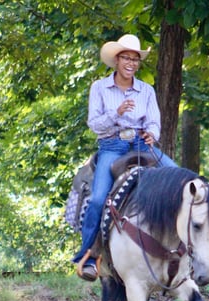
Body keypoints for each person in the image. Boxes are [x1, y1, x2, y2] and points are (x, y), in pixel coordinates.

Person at [72, 34, 178, 281]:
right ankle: (87, 256)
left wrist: (152, 133)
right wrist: (116, 113)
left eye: (135, 59)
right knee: (98, 199)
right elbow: (95, 124)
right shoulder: (99, 88)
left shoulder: (146, 91)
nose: (131, 63)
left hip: (141, 144)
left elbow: (153, 121)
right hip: (112, 146)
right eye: (126, 58)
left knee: (179, 178)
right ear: (116, 61)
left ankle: (184, 251)